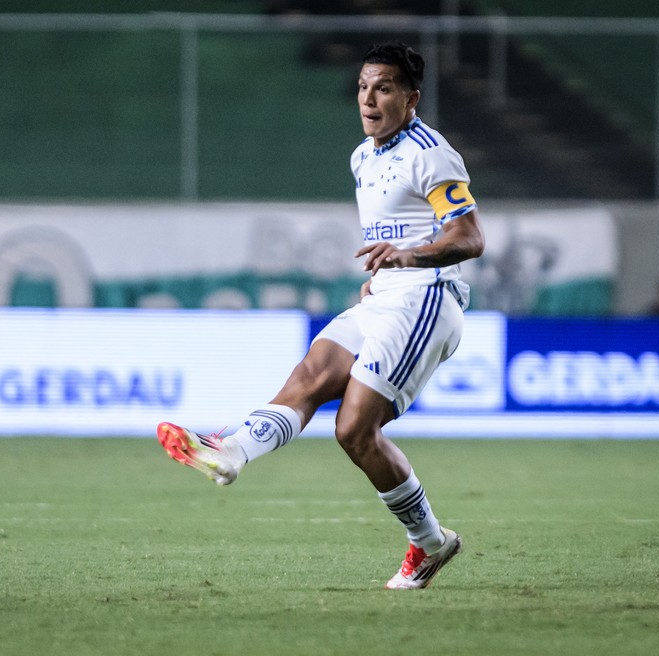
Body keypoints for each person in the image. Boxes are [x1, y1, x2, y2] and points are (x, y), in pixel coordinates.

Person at [157, 42, 485, 590]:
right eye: (362, 87)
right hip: (385, 296)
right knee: (310, 376)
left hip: (427, 297)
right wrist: (385, 271)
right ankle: (232, 450)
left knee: (354, 429)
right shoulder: (363, 156)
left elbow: (469, 237)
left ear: (411, 98)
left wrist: (410, 255)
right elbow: (390, 232)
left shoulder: (432, 153)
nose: (369, 98)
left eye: (383, 88)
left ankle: (429, 541)